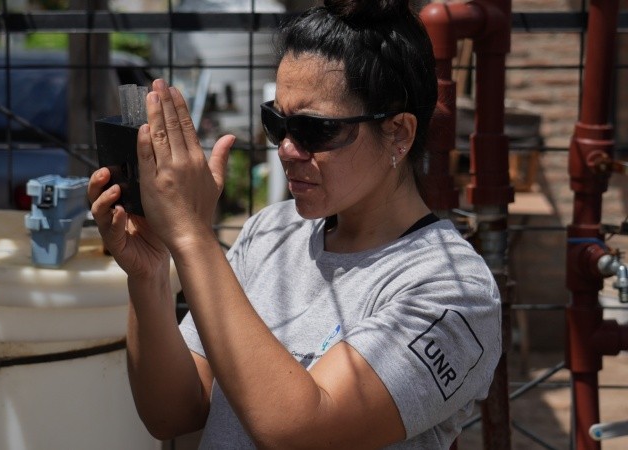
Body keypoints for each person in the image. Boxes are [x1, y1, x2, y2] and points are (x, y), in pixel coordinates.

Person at [88, 0, 501, 448]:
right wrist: (148, 276)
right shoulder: (270, 231)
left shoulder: (452, 292)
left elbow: (300, 429)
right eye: (277, 123)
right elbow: (173, 413)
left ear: (399, 133)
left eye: (314, 129)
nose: (286, 149)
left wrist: (191, 235)